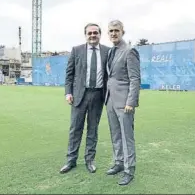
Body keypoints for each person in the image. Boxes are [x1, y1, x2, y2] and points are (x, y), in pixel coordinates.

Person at [60, 23, 110, 174]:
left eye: (95, 33)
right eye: (90, 33)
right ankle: (71, 160)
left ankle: (90, 160)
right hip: (79, 96)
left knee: (93, 130)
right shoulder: (76, 50)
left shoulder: (108, 51)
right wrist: (68, 92)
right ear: (85, 35)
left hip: (98, 95)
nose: (93, 35)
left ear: (100, 34)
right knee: (75, 129)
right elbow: (69, 74)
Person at [105, 20, 141, 185]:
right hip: (110, 101)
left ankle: (129, 169)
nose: (113, 33)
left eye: (116, 30)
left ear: (122, 32)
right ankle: (119, 163)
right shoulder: (111, 52)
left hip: (125, 102)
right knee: (115, 135)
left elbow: (135, 79)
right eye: (111, 31)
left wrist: (131, 102)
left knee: (127, 137)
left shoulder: (129, 51)